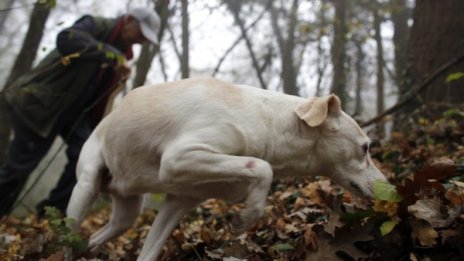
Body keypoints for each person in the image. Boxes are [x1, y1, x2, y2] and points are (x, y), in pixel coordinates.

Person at [0, 8, 161, 217]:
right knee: (19, 167)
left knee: (86, 158)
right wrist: (110, 56)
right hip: (42, 105)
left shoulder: (123, 54)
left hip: (74, 114)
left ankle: (50, 216)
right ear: (129, 20)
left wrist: (119, 72)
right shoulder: (96, 25)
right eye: (141, 33)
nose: (142, 40)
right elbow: (67, 39)